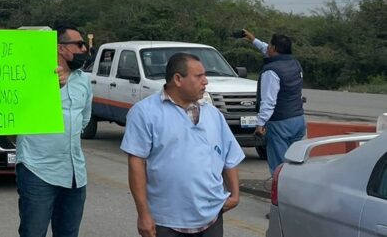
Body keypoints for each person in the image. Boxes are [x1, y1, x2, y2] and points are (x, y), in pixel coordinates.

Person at [122, 52, 245, 237]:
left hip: (211, 218)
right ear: (178, 79)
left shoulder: (213, 114)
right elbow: (136, 164)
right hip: (167, 221)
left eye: (205, 75)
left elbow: (229, 155)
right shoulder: (145, 112)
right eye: (199, 76)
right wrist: (143, 214)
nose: (205, 81)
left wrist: (234, 196)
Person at [15, 25, 93, 237]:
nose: (84, 49)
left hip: (75, 174)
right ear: (60, 48)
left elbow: (84, 119)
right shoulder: (31, 76)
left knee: (68, 232)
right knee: (33, 232)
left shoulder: (84, 80)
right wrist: (47, 89)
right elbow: (19, 112)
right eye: (79, 44)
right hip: (37, 170)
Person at [242, 29, 306, 174]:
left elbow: (269, 102)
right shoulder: (295, 63)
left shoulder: (271, 71)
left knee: (279, 168)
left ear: (274, 48)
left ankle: (281, 188)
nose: (267, 47)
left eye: (270, 45)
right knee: (295, 164)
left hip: (280, 123)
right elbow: (267, 49)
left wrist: (260, 124)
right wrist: (254, 40)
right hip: (298, 120)